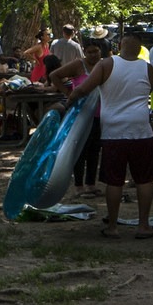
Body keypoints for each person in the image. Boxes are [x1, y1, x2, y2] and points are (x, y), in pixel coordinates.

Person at [66, 28, 153, 239]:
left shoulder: (106, 64)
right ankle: (144, 225)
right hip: (142, 130)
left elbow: (83, 89)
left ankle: (113, 226)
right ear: (141, 48)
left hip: (114, 132)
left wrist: (68, 103)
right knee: (145, 180)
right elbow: (148, 90)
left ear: (119, 46)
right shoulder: (148, 69)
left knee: (114, 180)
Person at [50, 39, 107, 197]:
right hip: (80, 113)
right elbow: (54, 75)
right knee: (80, 148)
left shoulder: (104, 65)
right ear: (84, 52)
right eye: (89, 52)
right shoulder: (78, 65)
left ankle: (91, 184)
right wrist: (68, 93)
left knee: (94, 150)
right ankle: (79, 185)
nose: (93, 55)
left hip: (99, 113)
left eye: (96, 51)